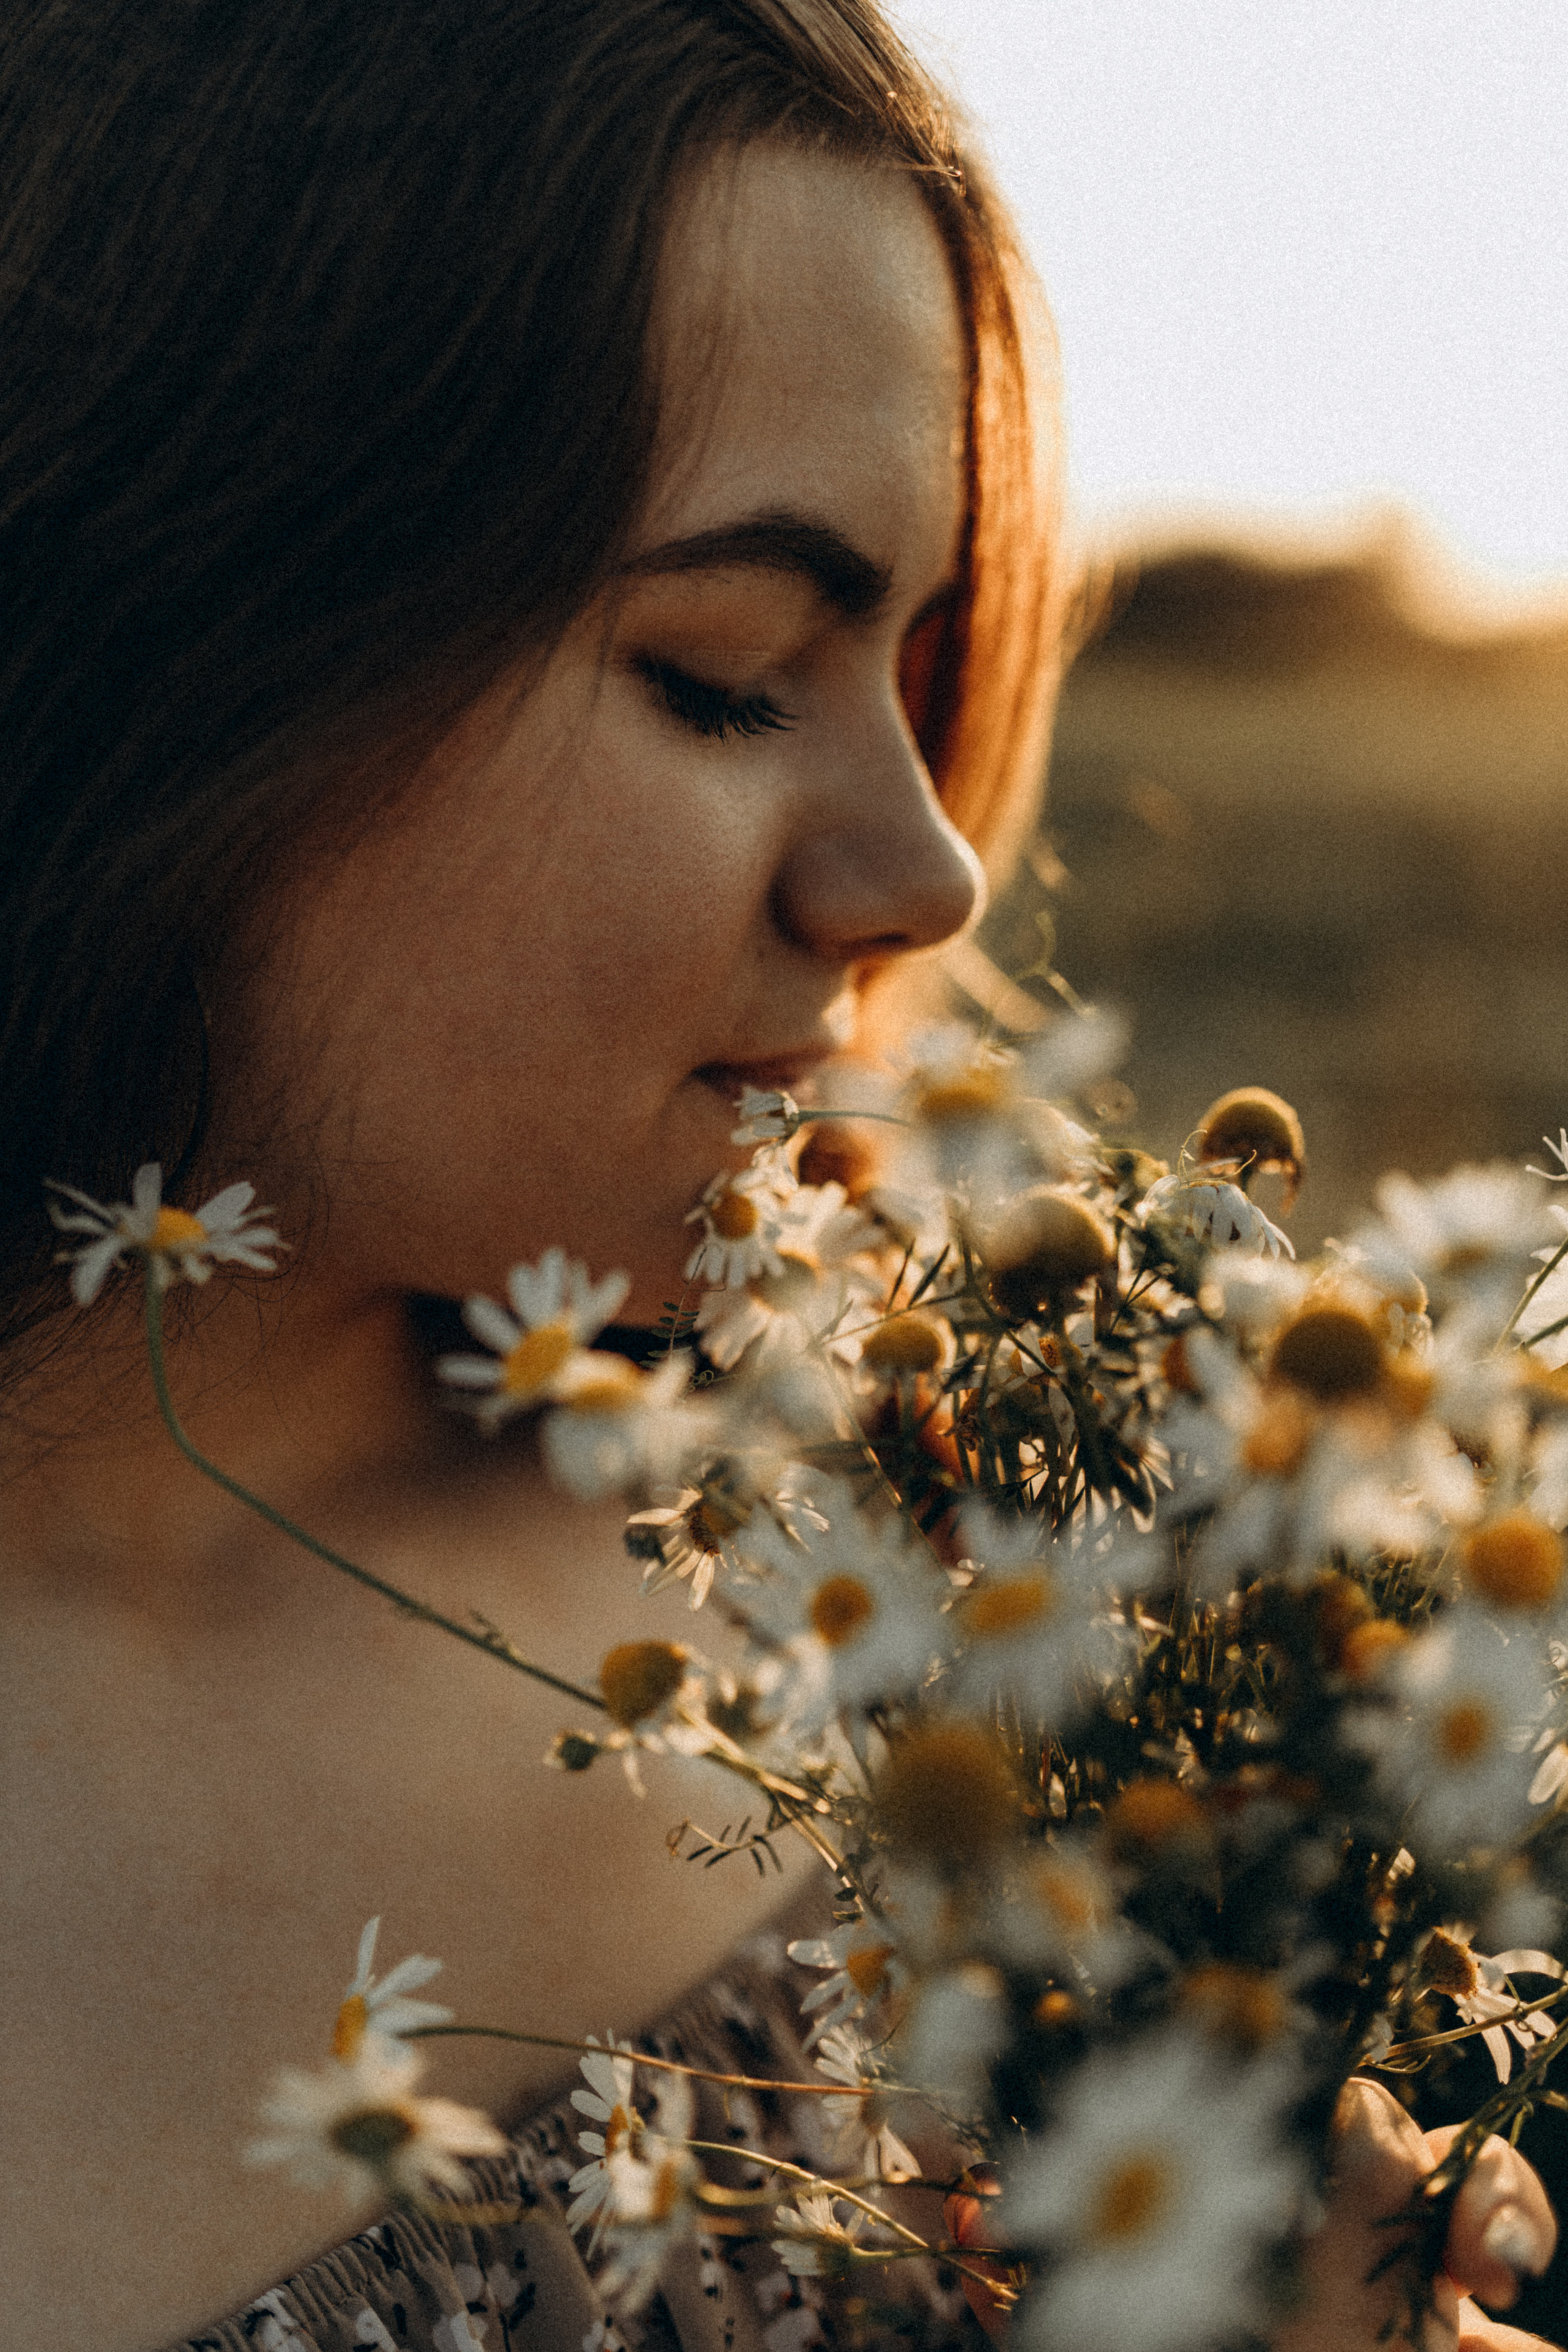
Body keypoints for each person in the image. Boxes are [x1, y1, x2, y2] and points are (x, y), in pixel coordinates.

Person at [0, 6, 1555, 2350]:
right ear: (175, 637)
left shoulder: (976, 1614)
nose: (932, 872)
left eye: (922, 676)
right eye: (728, 670)